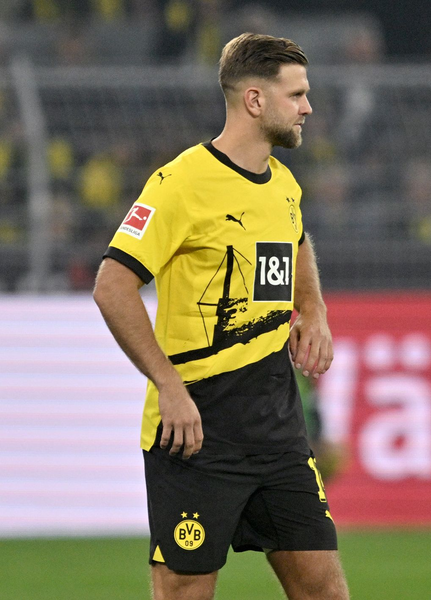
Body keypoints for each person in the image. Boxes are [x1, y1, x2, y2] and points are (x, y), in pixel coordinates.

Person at [92, 33, 349, 600]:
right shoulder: (179, 184)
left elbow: (295, 238)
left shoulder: (283, 184)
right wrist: (168, 384)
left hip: (278, 431)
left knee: (325, 590)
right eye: (297, 94)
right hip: (197, 431)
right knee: (185, 590)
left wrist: (313, 308)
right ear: (255, 101)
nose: (308, 107)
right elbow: (112, 285)